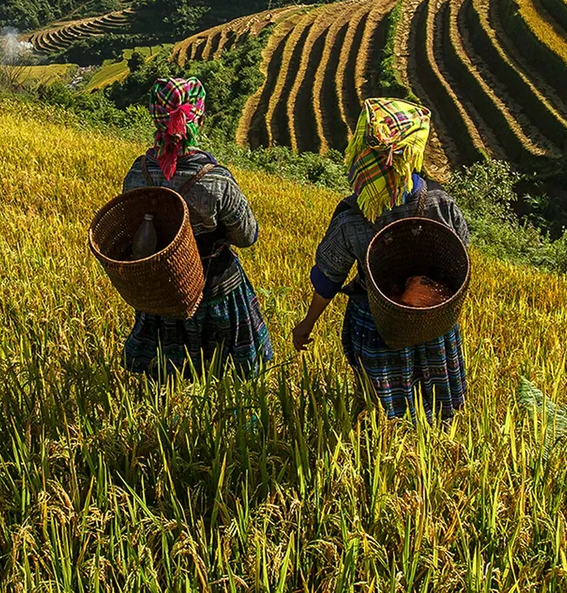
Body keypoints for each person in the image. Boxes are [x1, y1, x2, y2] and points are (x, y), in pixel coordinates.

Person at [291, 97, 470, 419]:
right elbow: (460, 258)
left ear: (361, 150)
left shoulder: (352, 218)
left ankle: (380, 448)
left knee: (380, 408)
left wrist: (307, 324)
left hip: (377, 321)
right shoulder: (442, 205)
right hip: (431, 321)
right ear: (413, 151)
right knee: (436, 403)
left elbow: (327, 278)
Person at [121, 77, 272, 378]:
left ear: (156, 119)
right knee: (229, 378)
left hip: (164, 292)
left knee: (165, 380)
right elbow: (247, 235)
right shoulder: (216, 181)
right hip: (215, 291)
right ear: (199, 120)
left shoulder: (137, 175)